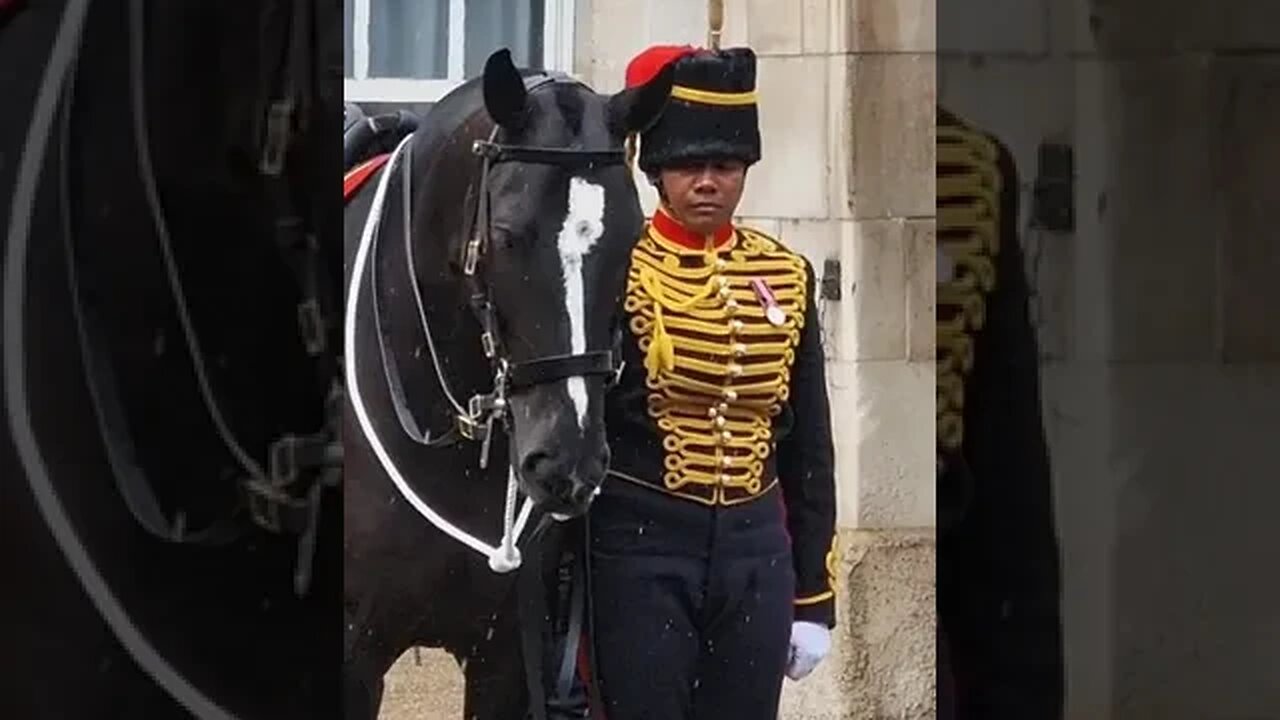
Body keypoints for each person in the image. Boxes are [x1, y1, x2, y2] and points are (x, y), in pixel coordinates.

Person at [582, 43, 839, 720]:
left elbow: (808, 446)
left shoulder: (785, 273)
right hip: (640, 545)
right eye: (689, 166)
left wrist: (813, 593)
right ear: (658, 172)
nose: (706, 182)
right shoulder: (614, 268)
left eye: (723, 166)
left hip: (755, 553)